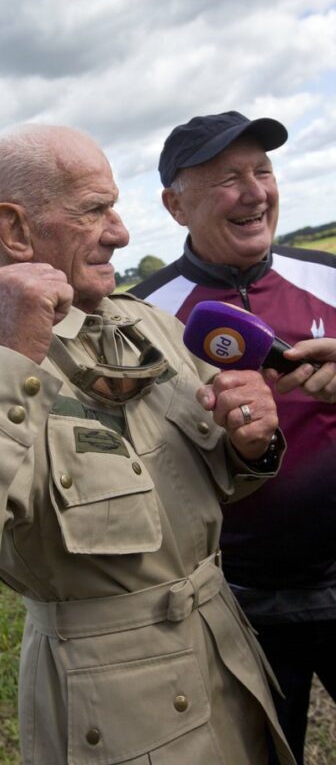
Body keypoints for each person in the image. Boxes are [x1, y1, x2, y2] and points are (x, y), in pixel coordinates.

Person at [0, 124, 296, 765]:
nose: (121, 232)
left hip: (229, 658)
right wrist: (8, 360)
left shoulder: (147, 325)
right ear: (15, 231)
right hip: (121, 715)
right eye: (95, 210)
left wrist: (251, 445)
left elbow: (204, 477)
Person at [131, 111, 336, 765]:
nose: (254, 192)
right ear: (174, 204)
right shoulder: (142, 320)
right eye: (227, 178)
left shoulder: (329, 277)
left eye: (263, 171)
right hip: (233, 603)